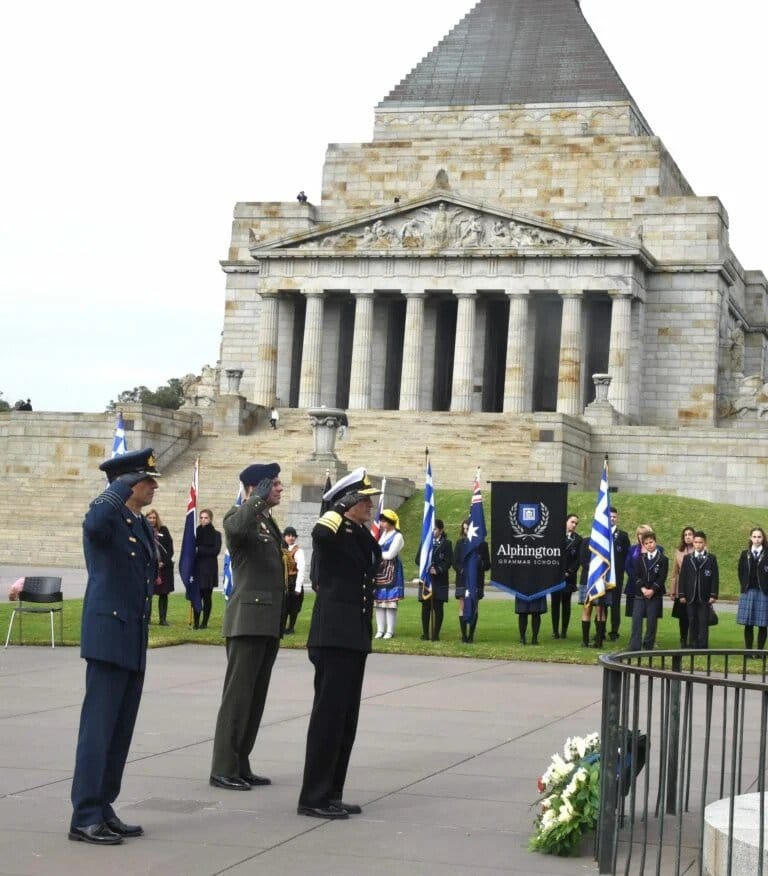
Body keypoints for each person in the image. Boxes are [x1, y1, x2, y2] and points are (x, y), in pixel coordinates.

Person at [69, 447, 161, 845]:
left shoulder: (137, 523)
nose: (154, 486)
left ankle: (104, 806)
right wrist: (117, 487)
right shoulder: (106, 516)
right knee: (99, 729)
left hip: (131, 637)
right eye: (147, 479)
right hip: (108, 635)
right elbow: (93, 524)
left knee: (119, 731)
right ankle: (85, 815)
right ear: (128, 483)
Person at [297, 468, 382, 819]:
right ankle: (313, 797)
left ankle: (332, 792)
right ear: (349, 502)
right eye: (364, 501)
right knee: (328, 719)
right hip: (333, 637)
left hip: (353, 637)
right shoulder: (331, 532)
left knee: (345, 721)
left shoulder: (357, 535)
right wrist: (336, 507)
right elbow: (319, 532)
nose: (371, 506)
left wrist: (352, 519)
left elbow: (374, 558)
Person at [209, 463, 285, 791]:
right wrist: (255, 499)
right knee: (238, 699)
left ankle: (240, 762)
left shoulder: (266, 521)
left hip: (267, 620)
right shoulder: (239, 516)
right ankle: (223, 767)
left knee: (255, 699)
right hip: (247, 621)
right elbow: (236, 531)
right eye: (274, 484)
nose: (280, 489)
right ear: (256, 487)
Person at [628, 529, 668, 651]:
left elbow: (662, 577)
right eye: (646, 543)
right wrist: (643, 588)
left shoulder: (663, 559)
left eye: (651, 542)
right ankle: (634, 646)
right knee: (636, 620)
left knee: (651, 621)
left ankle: (648, 645)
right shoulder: (640, 558)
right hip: (640, 594)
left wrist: (652, 590)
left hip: (655, 595)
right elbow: (636, 575)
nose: (649, 545)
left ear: (655, 542)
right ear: (643, 545)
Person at [678, 530, 719, 649]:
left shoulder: (711, 558)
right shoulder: (687, 558)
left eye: (700, 542)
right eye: (696, 542)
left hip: (704, 595)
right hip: (690, 595)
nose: (698, 545)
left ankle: (702, 645)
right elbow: (683, 577)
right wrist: (682, 594)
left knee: (703, 621)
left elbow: (715, 577)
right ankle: (693, 643)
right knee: (692, 620)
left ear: (705, 543)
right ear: (693, 543)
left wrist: (713, 594)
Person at [453, 518, 491, 643]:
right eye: (464, 529)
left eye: (467, 528)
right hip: (463, 579)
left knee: (474, 605)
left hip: (476, 580)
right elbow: (455, 562)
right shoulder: (460, 543)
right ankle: (464, 635)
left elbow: (487, 565)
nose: (465, 531)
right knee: (462, 605)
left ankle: (471, 636)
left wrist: (479, 563)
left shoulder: (482, 545)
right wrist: (462, 570)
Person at [417, 519, 453, 641]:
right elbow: (418, 559)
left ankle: (436, 634)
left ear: (441, 530)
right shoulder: (425, 542)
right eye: (432, 529)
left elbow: (449, 561)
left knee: (438, 607)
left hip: (439, 580)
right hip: (426, 580)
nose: (433, 531)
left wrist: (438, 569)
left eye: (435, 529)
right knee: (425, 607)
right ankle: (425, 633)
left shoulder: (447, 543)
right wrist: (425, 565)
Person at [373, 509, 405, 639]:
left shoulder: (398, 536)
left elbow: (391, 554)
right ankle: (380, 630)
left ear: (391, 522)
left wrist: (377, 554)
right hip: (380, 570)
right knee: (379, 601)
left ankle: (390, 630)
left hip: (392, 570)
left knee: (390, 602)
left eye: (383, 521)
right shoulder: (383, 534)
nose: (381, 523)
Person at [737, 527, 768, 652]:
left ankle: (760, 652)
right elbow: (740, 572)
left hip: (764, 592)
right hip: (748, 591)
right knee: (748, 623)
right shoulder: (745, 554)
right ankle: (748, 651)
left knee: (763, 624)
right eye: (754, 537)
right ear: (750, 538)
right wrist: (744, 585)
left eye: (759, 537)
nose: (757, 539)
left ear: (763, 538)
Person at [552, 513, 581, 639]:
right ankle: (555, 631)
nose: (574, 525)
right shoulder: (555, 536)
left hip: (569, 576)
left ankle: (564, 631)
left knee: (566, 603)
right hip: (555, 576)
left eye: (576, 523)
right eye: (572, 522)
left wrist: (569, 571)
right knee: (555, 604)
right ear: (566, 522)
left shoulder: (578, 539)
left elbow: (578, 559)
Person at [194, 509, 222, 630]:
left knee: (207, 596)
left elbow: (215, 551)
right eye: (201, 517)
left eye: (206, 518)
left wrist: (199, 550)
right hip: (197, 567)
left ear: (210, 519)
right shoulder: (195, 533)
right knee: (196, 596)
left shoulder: (216, 534)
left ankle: (204, 622)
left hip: (209, 568)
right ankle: (196, 622)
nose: (203, 520)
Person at [146, 509, 174, 626]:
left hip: (164, 568)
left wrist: (163, 562)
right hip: (150, 568)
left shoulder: (164, 530)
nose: (152, 520)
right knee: (148, 594)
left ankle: (163, 619)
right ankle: (147, 619)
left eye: (154, 518)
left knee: (163, 593)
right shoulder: (143, 529)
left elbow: (170, 549)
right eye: (150, 518)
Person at [607, 507, 631, 641]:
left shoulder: (623, 535)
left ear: (617, 518)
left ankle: (614, 631)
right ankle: (600, 630)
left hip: (616, 576)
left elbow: (628, 557)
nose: (612, 518)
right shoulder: (600, 533)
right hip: (602, 575)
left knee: (615, 604)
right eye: (610, 516)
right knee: (601, 604)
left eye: (614, 516)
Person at [669, 526, 696, 647]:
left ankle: (693, 640)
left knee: (694, 616)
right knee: (683, 617)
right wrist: (672, 591)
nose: (688, 537)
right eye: (685, 535)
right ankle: (683, 639)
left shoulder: (700, 550)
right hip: (682, 588)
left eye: (690, 534)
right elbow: (674, 573)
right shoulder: (679, 552)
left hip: (695, 587)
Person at [624, 524, 654, 621]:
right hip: (634, 585)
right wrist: (638, 581)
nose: (641, 536)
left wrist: (646, 583)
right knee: (635, 616)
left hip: (650, 587)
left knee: (650, 617)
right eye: (639, 534)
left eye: (643, 534)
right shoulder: (632, 549)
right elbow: (627, 566)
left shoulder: (658, 549)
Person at [283, 526, 306, 635]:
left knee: (293, 607)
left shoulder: (298, 551)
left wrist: (298, 587)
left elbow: (301, 569)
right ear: (284, 537)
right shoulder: (282, 550)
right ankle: (282, 627)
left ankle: (291, 628)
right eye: (288, 535)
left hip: (294, 580)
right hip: (284, 581)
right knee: (284, 606)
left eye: (293, 536)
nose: (291, 538)